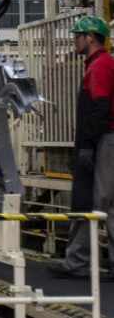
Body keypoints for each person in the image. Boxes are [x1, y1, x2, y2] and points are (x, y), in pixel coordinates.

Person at [49, 15, 114, 278]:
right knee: (100, 200)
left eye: (77, 36)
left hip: (104, 140)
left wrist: (87, 145)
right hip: (102, 139)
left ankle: (78, 262)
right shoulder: (100, 65)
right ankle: (79, 260)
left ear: (90, 38)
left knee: (100, 200)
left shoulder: (100, 67)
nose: (74, 41)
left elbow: (99, 107)